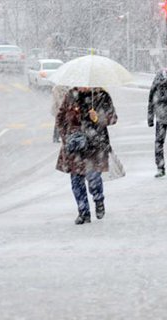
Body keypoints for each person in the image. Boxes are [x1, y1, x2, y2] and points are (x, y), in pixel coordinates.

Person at [56, 87, 118, 224]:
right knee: (76, 181)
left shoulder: (102, 95)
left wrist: (98, 118)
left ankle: (98, 199)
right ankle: (83, 212)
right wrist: (66, 137)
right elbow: (60, 118)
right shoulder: (71, 95)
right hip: (75, 147)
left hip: (95, 146)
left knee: (93, 178)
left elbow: (113, 118)